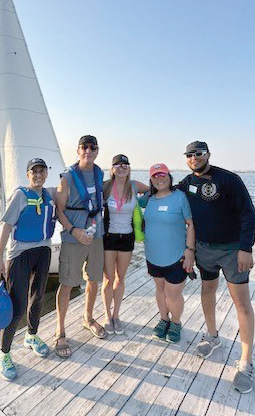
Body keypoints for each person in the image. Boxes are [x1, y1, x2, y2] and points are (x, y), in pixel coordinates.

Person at [177, 141, 255, 394]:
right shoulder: (185, 183)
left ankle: (246, 362)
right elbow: (162, 192)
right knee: (207, 290)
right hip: (204, 249)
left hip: (233, 250)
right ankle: (212, 336)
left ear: (208, 154)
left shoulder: (229, 180)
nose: (194, 158)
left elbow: (249, 215)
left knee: (241, 303)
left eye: (198, 154)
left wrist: (246, 247)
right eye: (189, 155)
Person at [0, 158, 55, 381]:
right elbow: (6, 227)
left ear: (47, 173)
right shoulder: (20, 195)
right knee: (18, 306)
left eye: (42, 171)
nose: (39, 175)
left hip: (43, 251)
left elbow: (70, 188)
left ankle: (31, 335)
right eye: (34, 171)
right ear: (28, 174)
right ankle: (3, 352)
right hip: (20, 254)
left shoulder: (49, 195)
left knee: (37, 297)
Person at [54, 135, 106, 358]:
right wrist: (74, 231)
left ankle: (88, 317)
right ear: (78, 150)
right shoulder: (67, 178)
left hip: (96, 236)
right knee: (67, 283)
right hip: (74, 238)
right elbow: (59, 209)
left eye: (92, 147)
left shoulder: (99, 173)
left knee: (93, 279)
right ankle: (60, 329)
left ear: (97, 151)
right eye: (84, 147)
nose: (88, 151)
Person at [143, 163, 195, 343]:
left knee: (173, 294)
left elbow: (190, 224)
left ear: (169, 177)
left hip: (176, 256)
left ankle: (175, 322)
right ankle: (164, 319)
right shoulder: (148, 198)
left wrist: (190, 250)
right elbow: (128, 194)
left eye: (162, 175)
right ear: (150, 180)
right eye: (155, 176)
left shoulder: (179, 197)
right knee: (160, 289)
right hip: (153, 256)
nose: (159, 178)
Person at [101, 154, 149, 335]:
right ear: (112, 168)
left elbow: (156, 188)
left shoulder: (135, 186)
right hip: (109, 237)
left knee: (121, 278)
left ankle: (116, 315)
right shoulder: (105, 187)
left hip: (127, 237)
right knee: (108, 279)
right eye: (118, 164)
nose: (122, 167)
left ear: (129, 168)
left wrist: (145, 202)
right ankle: (106, 316)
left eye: (125, 164)